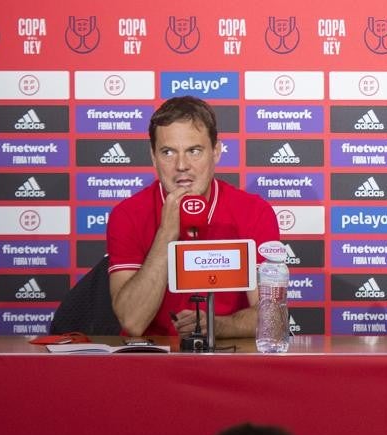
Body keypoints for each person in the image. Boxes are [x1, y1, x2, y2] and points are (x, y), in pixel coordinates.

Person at [107, 96, 279, 337]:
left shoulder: (254, 212)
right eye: (168, 152)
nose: (181, 165)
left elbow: (271, 316)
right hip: (153, 362)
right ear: (153, 157)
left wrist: (216, 326)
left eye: (194, 151)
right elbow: (133, 321)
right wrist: (167, 233)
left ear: (216, 152)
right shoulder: (127, 215)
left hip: (227, 359)